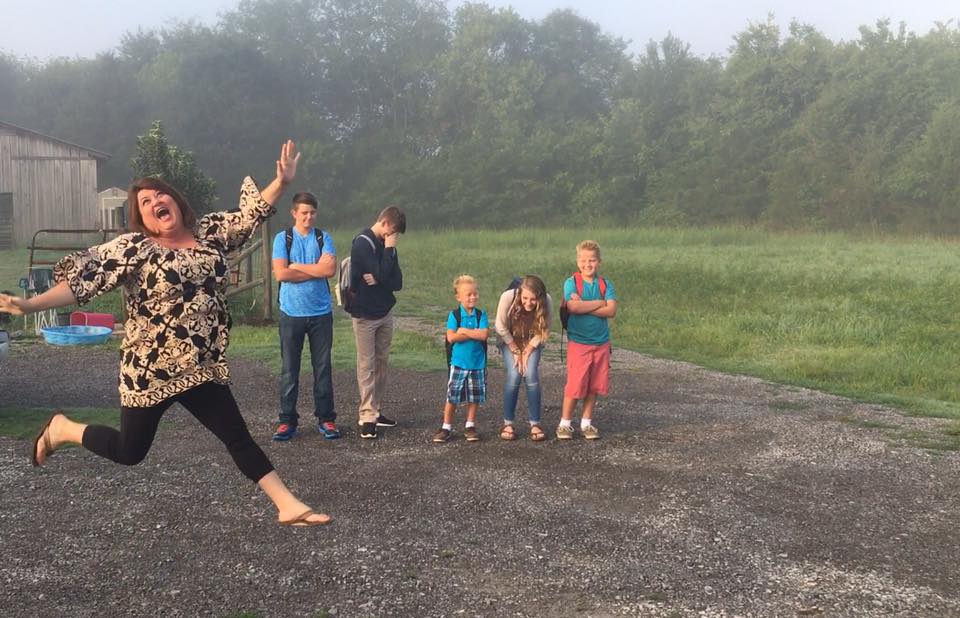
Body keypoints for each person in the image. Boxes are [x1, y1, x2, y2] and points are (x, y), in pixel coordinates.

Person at [0, 141, 331, 526]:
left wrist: (280, 182)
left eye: (161, 194)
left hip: (199, 364)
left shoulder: (208, 233)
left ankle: (286, 505)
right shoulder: (135, 249)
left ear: (175, 201)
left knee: (237, 436)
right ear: (143, 218)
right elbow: (81, 283)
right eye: (145, 202)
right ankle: (62, 429)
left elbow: (248, 216)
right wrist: (29, 304)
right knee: (130, 451)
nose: (155, 201)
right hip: (150, 369)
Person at [270, 191, 339, 441]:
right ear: (294, 213)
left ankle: (326, 419)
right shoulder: (282, 239)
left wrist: (297, 266)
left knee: (323, 368)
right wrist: (315, 270)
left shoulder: (323, 237)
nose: (308, 217)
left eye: (312, 212)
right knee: (290, 369)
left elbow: (330, 269)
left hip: (321, 313)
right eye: (304, 213)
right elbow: (281, 274)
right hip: (291, 312)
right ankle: (287, 421)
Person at [347, 206, 405, 439]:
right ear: (385, 223)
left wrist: (380, 277)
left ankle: (376, 409)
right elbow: (381, 271)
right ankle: (367, 416)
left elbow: (397, 281)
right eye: (393, 232)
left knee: (382, 363)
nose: (394, 237)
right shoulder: (362, 243)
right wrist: (387, 257)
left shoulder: (387, 246)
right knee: (366, 365)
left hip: (384, 312)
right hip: (364, 314)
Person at [558, 240, 617, 440]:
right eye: (583, 260)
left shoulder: (606, 284)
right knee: (575, 384)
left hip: (601, 342)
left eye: (592, 260)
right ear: (577, 262)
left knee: (594, 385)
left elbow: (612, 310)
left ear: (599, 262)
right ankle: (565, 423)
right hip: (579, 342)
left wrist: (585, 304)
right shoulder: (571, 283)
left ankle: (586, 422)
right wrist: (600, 303)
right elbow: (573, 308)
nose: (587, 264)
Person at [494, 276, 552, 442]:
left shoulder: (547, 300)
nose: (528, 303)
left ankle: (535, 423)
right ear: (520, 293)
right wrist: (515, 349)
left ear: (539, 297)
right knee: (514, 374)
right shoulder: (508, 297)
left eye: (533, 299)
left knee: (530, 373)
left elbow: (545, 329)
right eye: (525, 298)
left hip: (532, 339)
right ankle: (507, 423)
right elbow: (500, 325)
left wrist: (527, 350)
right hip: (509, 338)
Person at [433, 275, 489, 443]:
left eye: (475, 293)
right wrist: (471, 334)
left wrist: (463, 331)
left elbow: (484, 334)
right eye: (468, 294)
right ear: (458, 297)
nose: (472, 297)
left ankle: (470, 425)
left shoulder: (481, 315)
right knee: (453, 396)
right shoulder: (454, 315)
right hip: (458, 363)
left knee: (474, 396)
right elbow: (451, 337)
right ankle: (446, 426)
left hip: (477, 364)